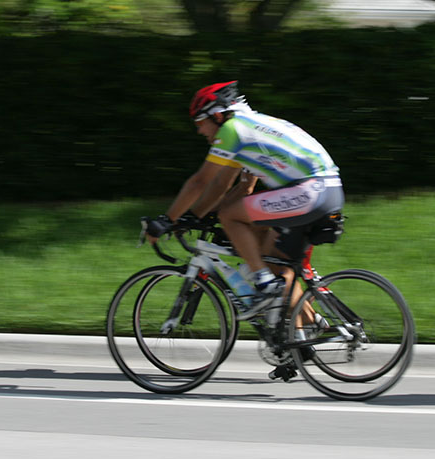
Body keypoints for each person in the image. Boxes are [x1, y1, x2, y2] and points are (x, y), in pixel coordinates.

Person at [146, 81, 343, 319]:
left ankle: (262, 283)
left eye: (200, 123)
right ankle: (304, 337)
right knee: (274, 265)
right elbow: (232, 185)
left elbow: (201, 182)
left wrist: (168, 219)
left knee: (229, 216)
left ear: (217, 115)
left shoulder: (233, 130)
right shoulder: (250, 128)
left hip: (309, 192)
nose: (199, 131)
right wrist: (193, 217)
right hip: (325, 190)